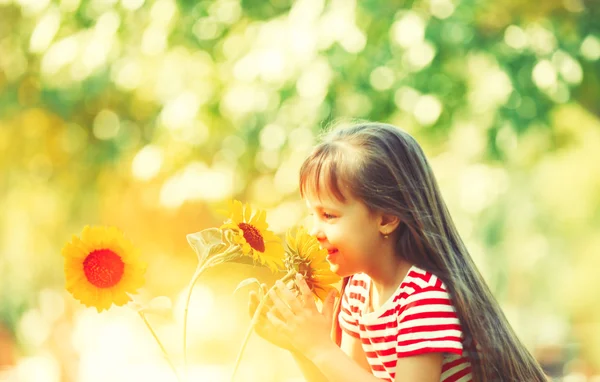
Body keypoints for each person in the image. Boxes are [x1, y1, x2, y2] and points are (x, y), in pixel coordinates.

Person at [249, 122, 548, 381]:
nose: (314, 230)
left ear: (387, 218)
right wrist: (300, 346)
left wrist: (319, 347)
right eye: (312, 214)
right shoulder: (358, 292)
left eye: (329, 215)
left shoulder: (424, 299)